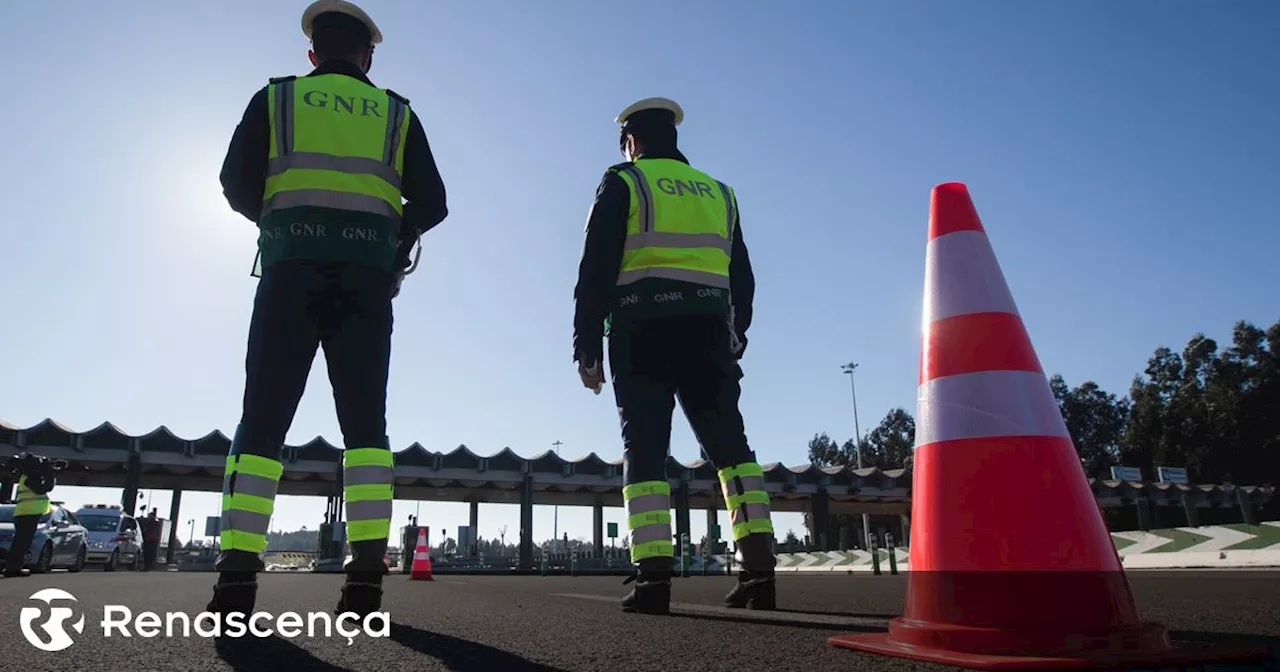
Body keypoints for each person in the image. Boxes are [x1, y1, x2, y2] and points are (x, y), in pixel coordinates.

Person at [211, 0, 448, 617]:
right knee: (366, 431)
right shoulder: (397, 112)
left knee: (261, 423)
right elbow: (435, 201)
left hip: (289, 273)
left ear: (313, 54)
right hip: (367, 283)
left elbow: (234, 182)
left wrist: (284, 224)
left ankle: (236, 584)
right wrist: (391, 249)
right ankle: (365, 583)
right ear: (367, 56)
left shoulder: (279, 98)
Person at [572, 97, 777, 614]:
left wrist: (586, 343)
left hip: (642, 331)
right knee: (732, 450)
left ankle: (653, 580)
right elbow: (743, 277)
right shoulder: (719, 192)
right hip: (708, 332)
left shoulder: (624, 181)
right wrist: (735, 331)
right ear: (675, 140)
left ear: (630, 141)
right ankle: (759, 573)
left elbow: (595, 267)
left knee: (644, 450)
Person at [3, 469, 51, 578]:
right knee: (22, 543)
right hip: (28, 513)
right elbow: (43, 489)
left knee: (21, 542)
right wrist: (50, 475)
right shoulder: (31, 477)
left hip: (25, 512)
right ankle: (13, 568)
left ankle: (14, 567)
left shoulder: (26, 476)